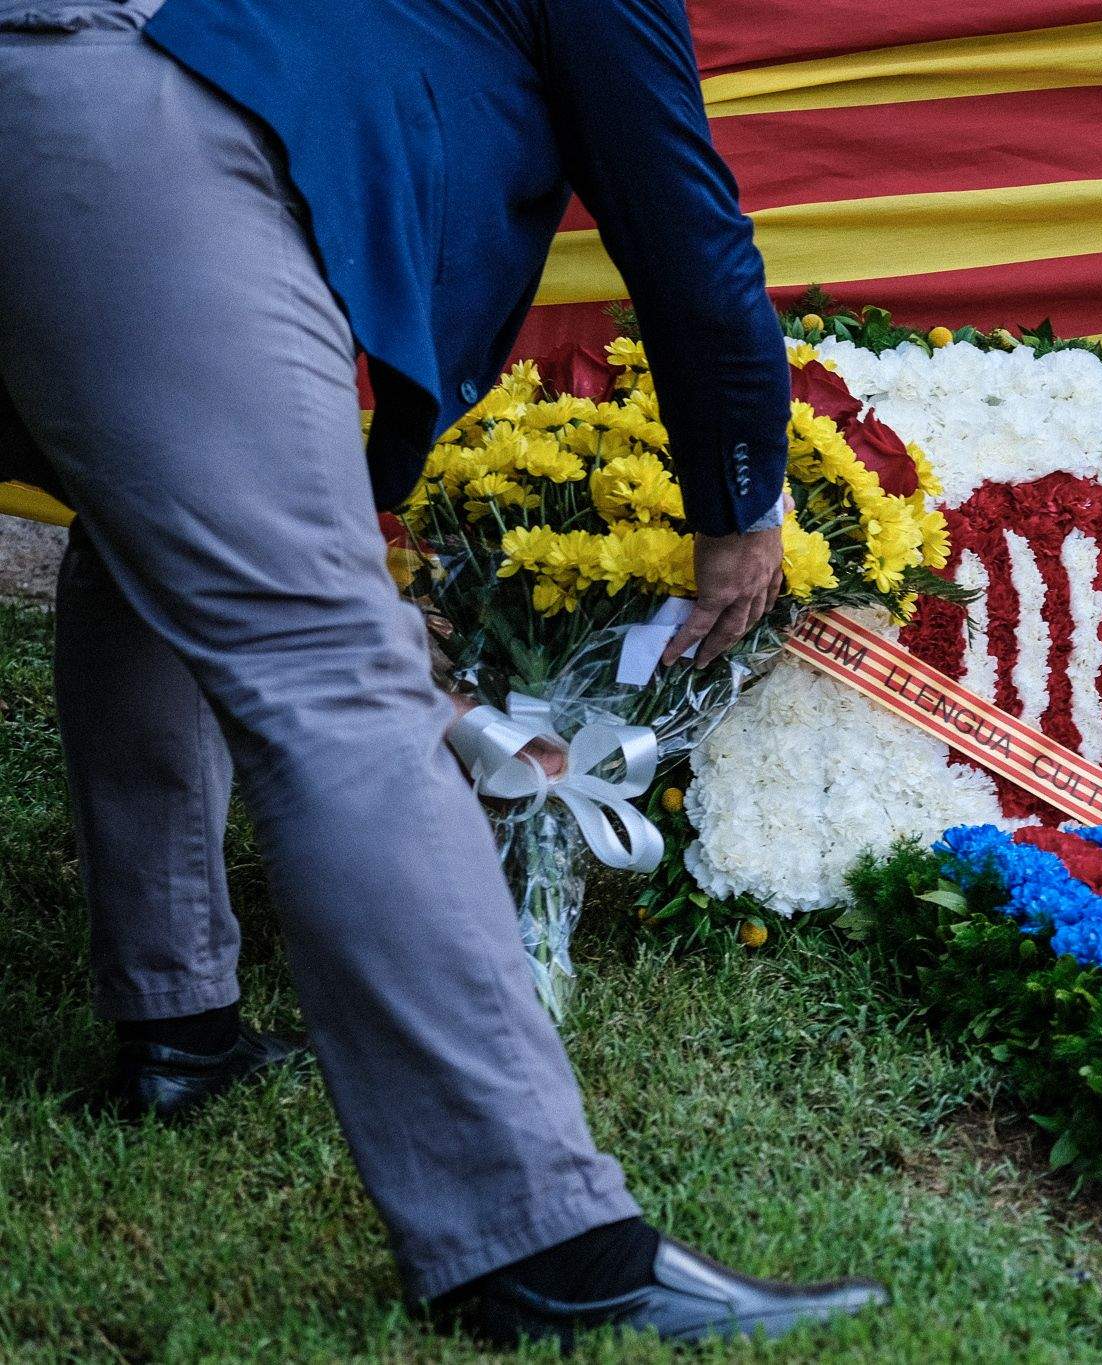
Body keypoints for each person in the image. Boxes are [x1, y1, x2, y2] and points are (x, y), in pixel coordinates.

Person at [0, 0, 885, 1348]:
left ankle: (179, 1022)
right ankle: (543, 1239)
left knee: (152, 548)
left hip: (56, 83)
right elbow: (681, 223)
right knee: (335, 675)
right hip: (117, 124)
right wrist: (738, 501)